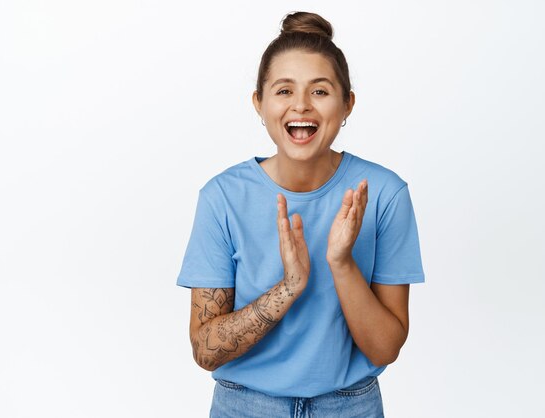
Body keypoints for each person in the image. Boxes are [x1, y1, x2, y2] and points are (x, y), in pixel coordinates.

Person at [177, 11, 424, 418]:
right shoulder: (221, 197)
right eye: (284, 90)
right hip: (244, 405)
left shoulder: (383, 194)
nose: (301, 106)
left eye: (321, 92)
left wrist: (341, 263)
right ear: (259, 103)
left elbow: (386, 348)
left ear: (348, 104)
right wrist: (288, 288)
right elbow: (205, 351)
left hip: (350, 407)